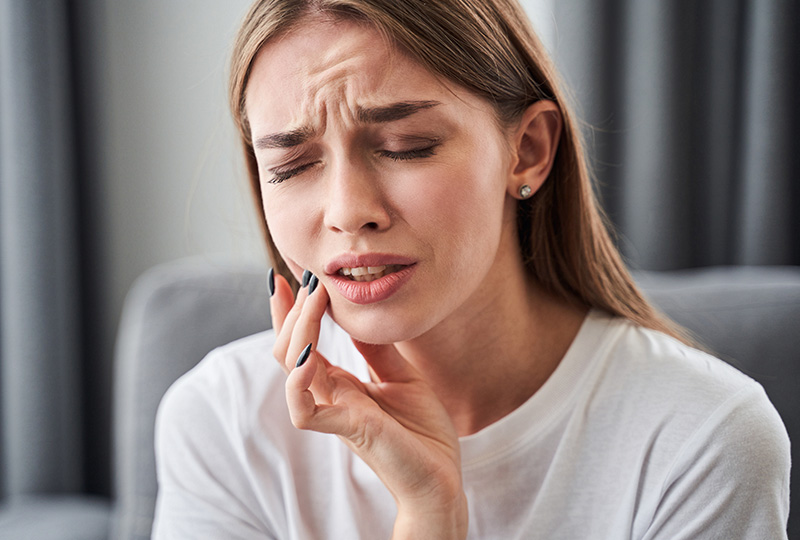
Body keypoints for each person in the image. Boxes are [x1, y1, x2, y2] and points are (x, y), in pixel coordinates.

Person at [151, 0, 791, 538]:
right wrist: (429, 514)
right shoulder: (222, 423)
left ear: (528, 152)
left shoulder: (705, 441)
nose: (349, 212)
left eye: (407, 147)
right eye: (292, 167)